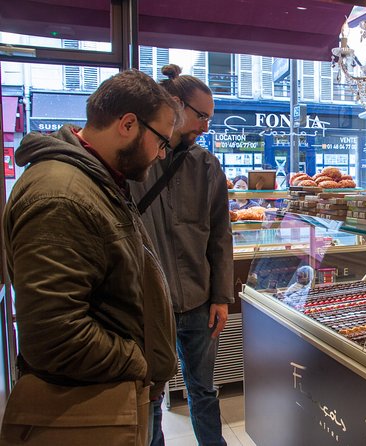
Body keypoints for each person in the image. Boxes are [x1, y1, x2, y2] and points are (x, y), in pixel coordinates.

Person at [2, 70, 179, 443]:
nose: (162, 153)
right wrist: (137, 363)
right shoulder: (61, 195)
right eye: (162, 140)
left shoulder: (95, 178)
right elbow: (54, 336)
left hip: (120, 397)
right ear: (128, 124)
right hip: (96, 408)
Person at [130, 64, 234, 446]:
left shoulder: (207, 165)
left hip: (199, 299)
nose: (205, 127)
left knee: (203, 390)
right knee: (151, 396)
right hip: (147, 305)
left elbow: (220, 236)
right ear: (175, 105)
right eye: (201, 115)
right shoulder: (135, 161)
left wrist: (221, 296)